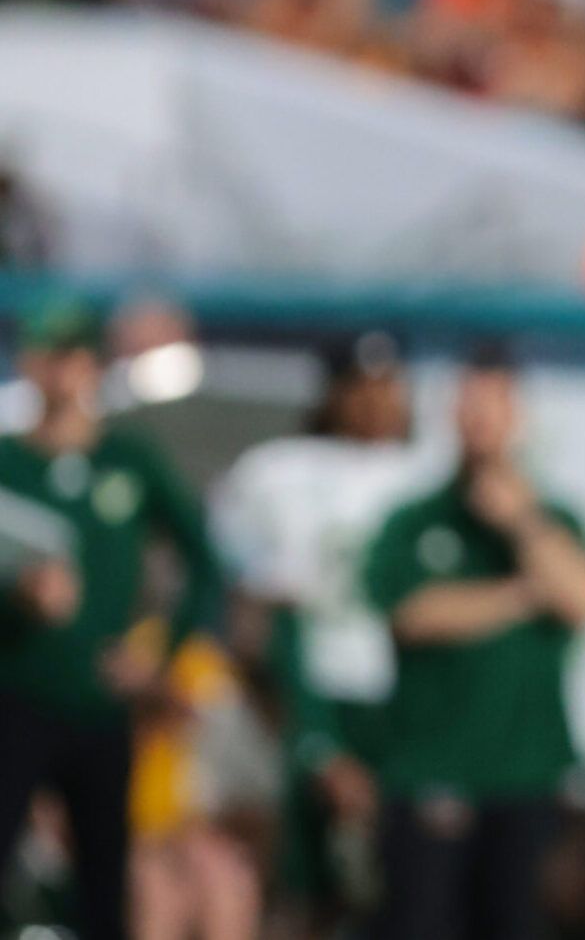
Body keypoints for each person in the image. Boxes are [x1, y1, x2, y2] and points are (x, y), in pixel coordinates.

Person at [0, 297, 226, 939]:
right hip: (16, 695)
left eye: (74, 356)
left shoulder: (128, 461)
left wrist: (159, 654)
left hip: (101, 705)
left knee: (107, 879)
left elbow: (205, 562)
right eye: (49, 355)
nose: (62, 372)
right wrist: (17, 596)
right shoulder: (9, 464)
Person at [362, 351, 585, 940]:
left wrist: (521, 524)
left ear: (517, 417)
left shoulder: (552, 521)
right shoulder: (416, 520)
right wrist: (525, 593)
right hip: (432, 767)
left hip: (527, 773)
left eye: (493, 408)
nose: (480, 423)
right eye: (469, 407)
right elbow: (414, 614)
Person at [211, 331, 427, 936]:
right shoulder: (277, 473)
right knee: (300, 882)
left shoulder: (431, 475)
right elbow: (254, 611)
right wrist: (308, 734)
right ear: (331, 394)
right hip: (308, 695)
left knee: (407, 885)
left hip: (408, 703)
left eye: (388, 386)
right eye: (361, 387)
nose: (376, 402)